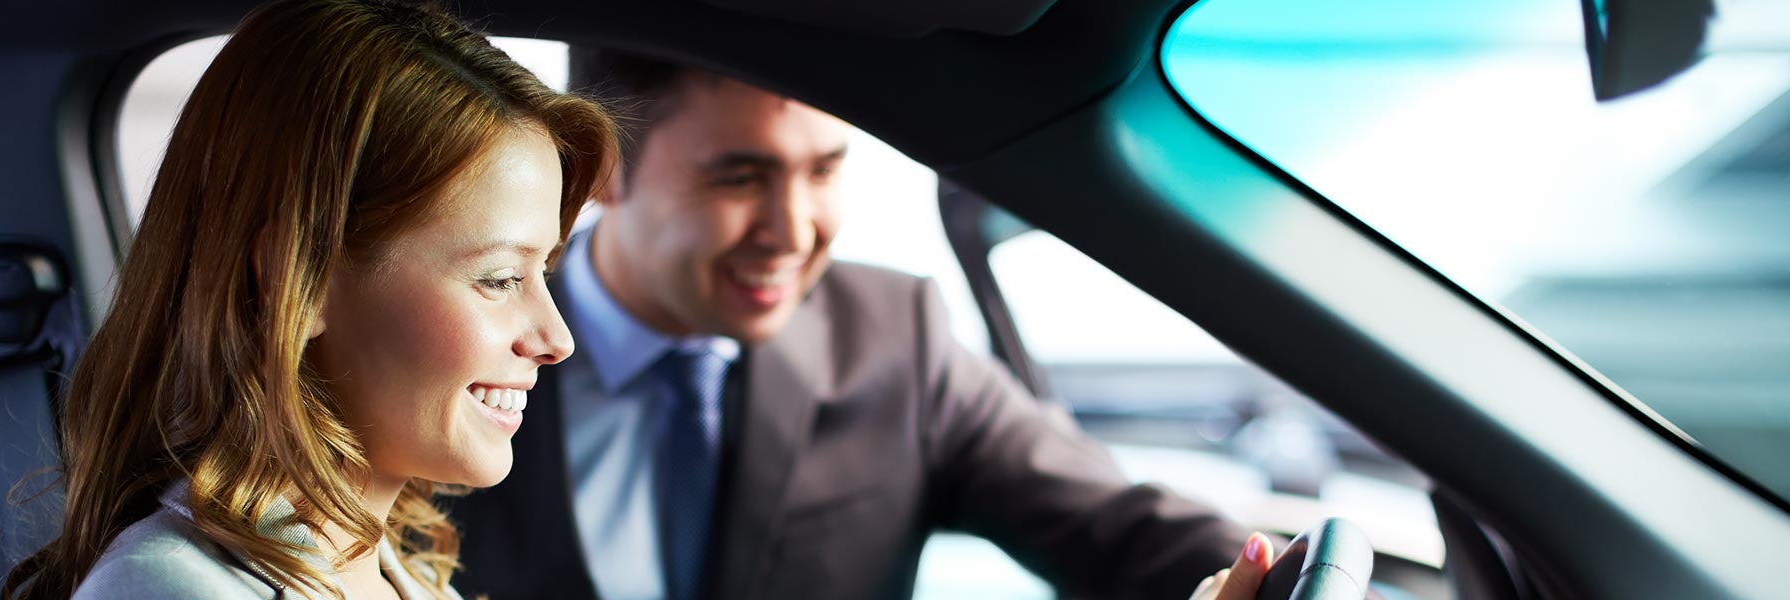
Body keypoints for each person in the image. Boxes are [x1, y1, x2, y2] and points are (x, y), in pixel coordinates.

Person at [446, 48, 1274, 600]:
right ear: (605, 171)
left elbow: (1114, 527)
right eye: (741, 178)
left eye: (825, 170)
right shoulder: (450, 349)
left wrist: (1268, 574)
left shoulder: (895, 337)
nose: (796, 229)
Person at [1, 0, 616, 598]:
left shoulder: (406, 581)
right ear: (301, 281)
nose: (556, 340)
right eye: (501, 279)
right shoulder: (172, 589)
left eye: (545, 272)